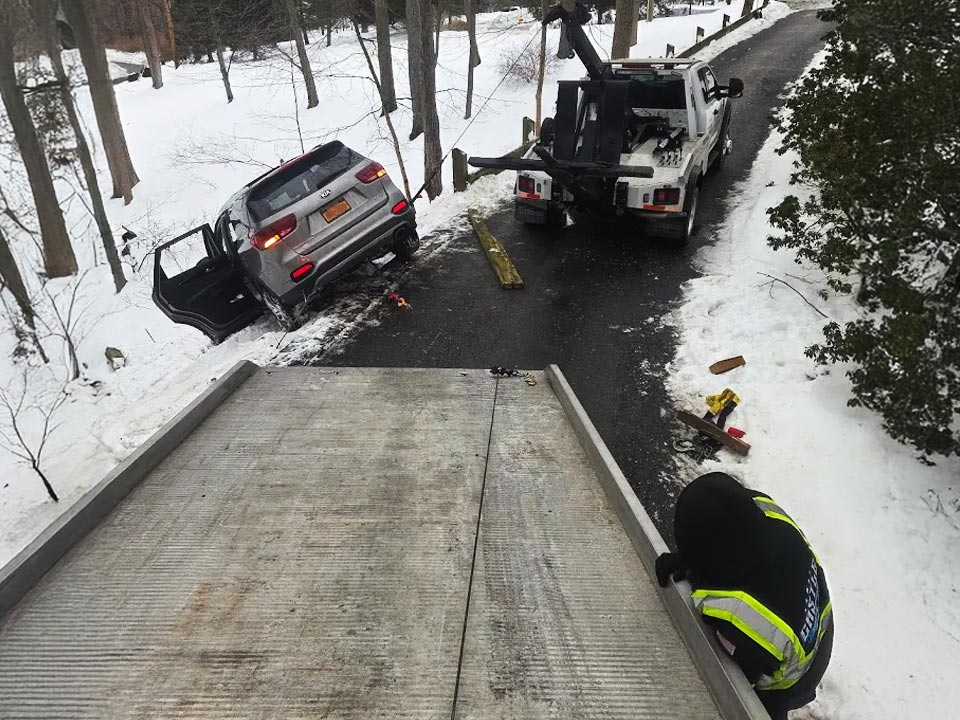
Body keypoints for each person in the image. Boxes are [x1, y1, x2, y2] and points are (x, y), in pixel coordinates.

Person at [655, 472, 834, 720]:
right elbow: (730, 536)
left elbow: (739, 679)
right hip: (817, 616)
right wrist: (691, 560)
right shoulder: (763, 513)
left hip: (795, 676)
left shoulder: (742, 618)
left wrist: (698, 573)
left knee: (759, 709)